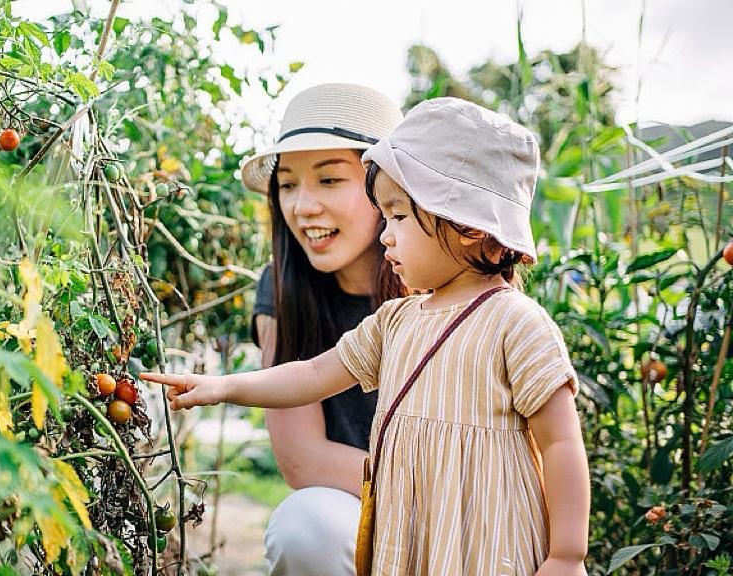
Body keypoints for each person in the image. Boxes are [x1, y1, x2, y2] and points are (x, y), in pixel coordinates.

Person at [146, 98, 591, 575]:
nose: (386, 234)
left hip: (491, 530)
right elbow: (315, 373)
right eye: (288, 185)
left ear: (464, 224)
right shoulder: (397, 320)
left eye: (398, 216)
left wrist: (567, 555)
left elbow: (560, 444)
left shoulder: (516, 323)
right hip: (412, 529)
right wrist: (225, 387)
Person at [238, 83, 406, 575]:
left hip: (468, 511)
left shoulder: (448, 279)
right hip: (362, 510)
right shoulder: (283, 289)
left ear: (389, 190)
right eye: (288, 185)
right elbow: (303, 460)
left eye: (330, 180)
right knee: (305, 525)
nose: (302, 206)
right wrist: (428, 483)